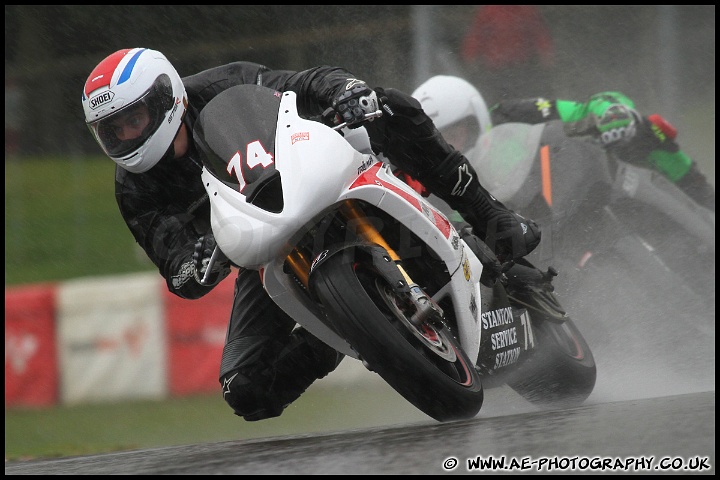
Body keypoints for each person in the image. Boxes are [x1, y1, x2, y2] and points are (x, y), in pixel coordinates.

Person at [81, 48, 540, 421]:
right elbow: (174, 265)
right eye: (113, 130)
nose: (126, 136)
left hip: (319, 176)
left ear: (165, 99)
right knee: (246, 389)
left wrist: (345, 89)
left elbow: (301, 82)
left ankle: (489, 215)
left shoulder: (224, 84)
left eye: (133, 120)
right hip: (263, 249)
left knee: (389, 102)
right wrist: (195, 263)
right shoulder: (134, 188)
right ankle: (343, 331)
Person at [413, 75, 714, 212]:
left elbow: (586, 109)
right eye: (436, 139)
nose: (447, 145)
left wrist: (611, 114)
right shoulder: (430, 182)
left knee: (645, 132)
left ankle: (703, 203)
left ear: (475, 121)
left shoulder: (510, 115)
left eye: (453, 133)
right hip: (534, 257)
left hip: (584, 203)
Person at [490, 92, 715, 212]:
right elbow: (606, 100)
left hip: (606, 208)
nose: (617, 149)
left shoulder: (654, 142)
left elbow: (698, 187)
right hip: (541, 199)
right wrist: (610, 113)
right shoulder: (577, 114)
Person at [460, 5, 555, 103]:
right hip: (497, 67)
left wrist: (546, 53)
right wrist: (470, 55)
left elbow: (538, 33)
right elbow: (477, 35)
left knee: (521, 97)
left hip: (519, 65)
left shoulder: (526, 10)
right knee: (502, 98)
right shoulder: (489, 11)